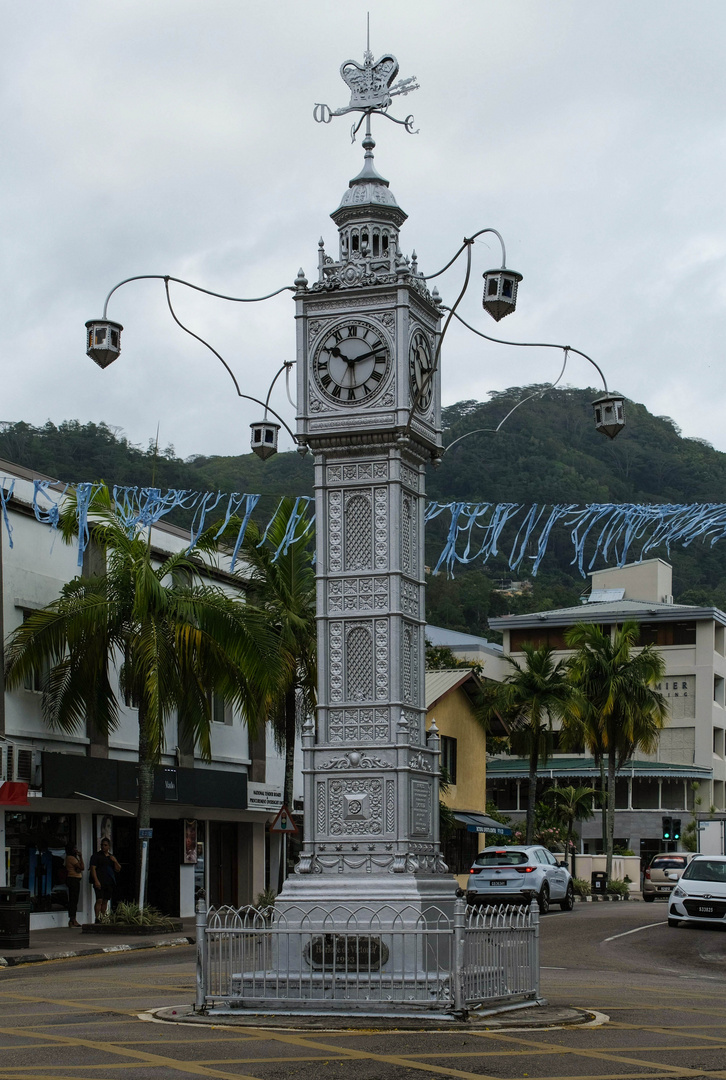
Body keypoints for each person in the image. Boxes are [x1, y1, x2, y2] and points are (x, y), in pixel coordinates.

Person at [89, 837, 120, 922]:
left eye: (105, 845)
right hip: (99, 881)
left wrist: (115, 861)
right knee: (99, 899)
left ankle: (102, 917)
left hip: (109, 882)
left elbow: (118, 869)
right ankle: (97, 917)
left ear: (109, 846)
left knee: (105, 900)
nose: (103, 847)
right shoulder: (96, 856)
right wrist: (96, 880)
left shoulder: (111, 857)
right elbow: (92, 868)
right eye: (102, 845)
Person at [64, 844, 84, 927]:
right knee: (73, 899)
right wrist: (81, 857)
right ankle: (73, 919)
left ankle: (71, 920)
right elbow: (81, 867)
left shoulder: (70, 858)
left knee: (73, 899)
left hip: (73, 879)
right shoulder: (71, 858)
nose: (76, 850)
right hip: (73, 879)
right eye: (74, 848)